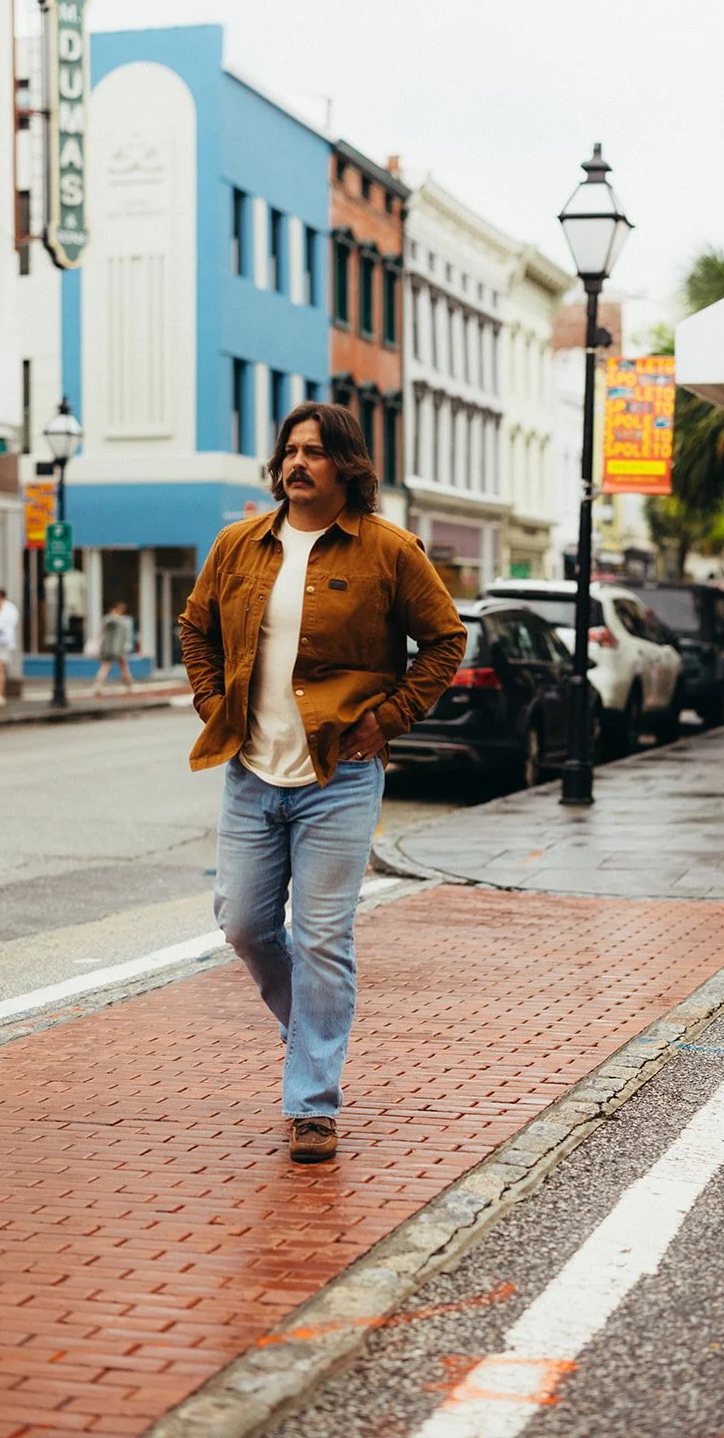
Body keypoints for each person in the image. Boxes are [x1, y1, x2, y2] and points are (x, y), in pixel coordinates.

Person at [179, 403, 467, 1164]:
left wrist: (394, 715)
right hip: (249, 771)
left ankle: (312, 1102)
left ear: (346, 464)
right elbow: (195, 627)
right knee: (241, 924)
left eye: (313, 452)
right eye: (289, 451)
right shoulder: (238, 544)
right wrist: (214, 703)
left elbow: (444, 639)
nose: (296, 463)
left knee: (321, 937)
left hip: (338, 775)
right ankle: (310, 1032)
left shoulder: (388, 550)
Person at [93, 602, 135, 695]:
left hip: (108, 647)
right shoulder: (124, 622)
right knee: (123, 667)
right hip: (119, 648)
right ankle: (129, 687)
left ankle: (98, 687)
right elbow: (127, 636)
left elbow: (100, 633)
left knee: (106, 666)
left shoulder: (107, 619)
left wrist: (99, 645)